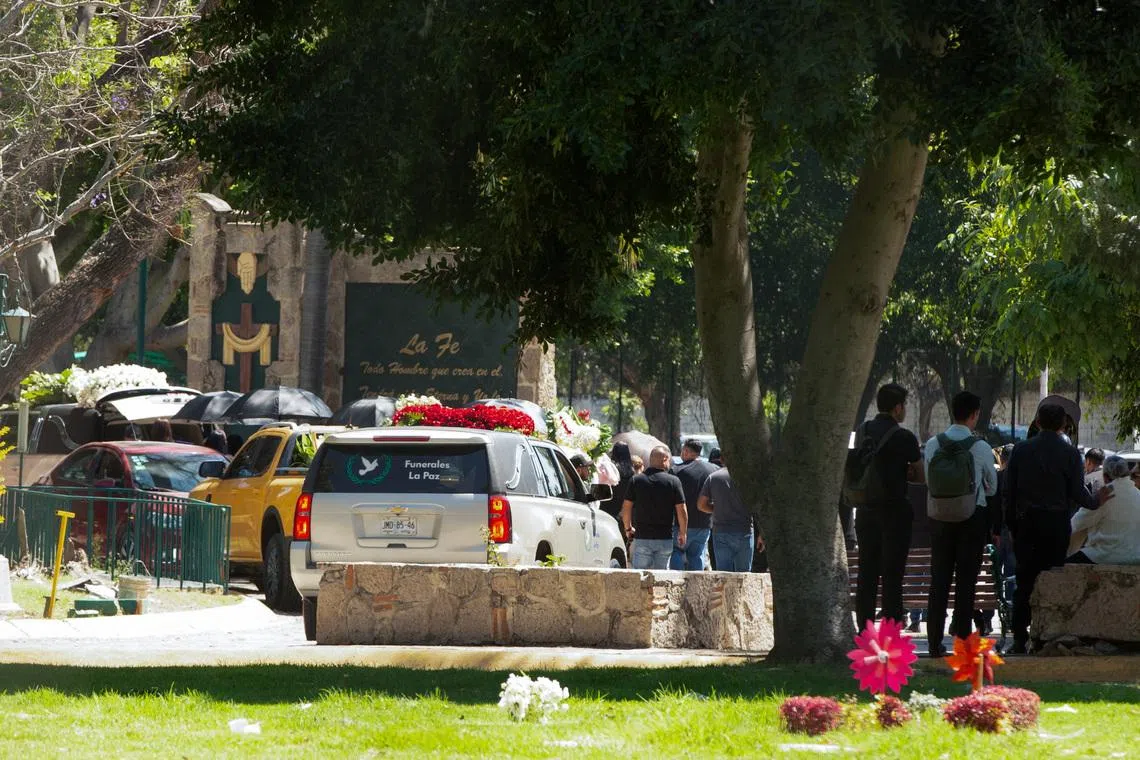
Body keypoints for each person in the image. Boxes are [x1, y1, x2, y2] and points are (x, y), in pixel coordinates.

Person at [1005, 402, 1109, 654]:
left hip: (1028, 523)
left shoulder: (1021, 451)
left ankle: (1019, 637)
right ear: (1064, 424)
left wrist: (1013, 526)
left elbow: (1009, 493)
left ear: (1037, 422)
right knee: (1054, 578)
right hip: (1056, 524)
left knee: (1024, 580)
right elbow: (1078, 493)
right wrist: (1098, 500)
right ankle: (1049, 637)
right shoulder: (1071, 454)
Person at [923, 391, 998, 658]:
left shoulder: (933, 444)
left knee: (939, 580)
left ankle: (933, 642)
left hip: (939, 519)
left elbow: (929, 481)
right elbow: (992, 488)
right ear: (975, 414)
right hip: (971, 519)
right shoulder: (980, 447)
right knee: (966, 582)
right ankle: (963, 641)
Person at [851, 383, 924, 631]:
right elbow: (920, 475)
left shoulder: (863, 431)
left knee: (867, 574)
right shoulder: (904, 437)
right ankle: (891, 631)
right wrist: (906, 471)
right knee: (893, 576)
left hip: (865, 510)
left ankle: (864, 629)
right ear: (897, 408)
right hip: (894, 512)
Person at [622, 446, 687, 570]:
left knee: (640, 577)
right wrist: (683, 532)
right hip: (665, 537)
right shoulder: (674, 481)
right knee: (662, 578)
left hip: (642, 537)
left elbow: (626, 507)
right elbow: (682, 509)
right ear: (665, 459)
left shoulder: (636, 480)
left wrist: (628, 528)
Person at [1067, 456, 1140, 565]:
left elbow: (1075, 524)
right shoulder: (1137, 494)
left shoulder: (1105, 495)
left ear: (1105, 477)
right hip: (1135, 557)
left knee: (1062, 566)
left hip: (1104, 556)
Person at [697, 450, 757, 572]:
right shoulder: (749, 479)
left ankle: (725, 592)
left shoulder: (713, 477)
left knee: (723, 573)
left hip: (721, 531)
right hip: (744, 530)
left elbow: (701, 505)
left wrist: (716, 508)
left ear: (722, 460)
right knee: (744, 575)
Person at [669, 439, 718, 571]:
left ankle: (676, 583)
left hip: (680, 524)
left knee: (677, 552)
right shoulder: (713, 470)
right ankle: (697, 585)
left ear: (686, 451)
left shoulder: (676, 471)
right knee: (697, 555)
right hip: (704, 523)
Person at [600, 442, 634, 520]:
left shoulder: (610, 469)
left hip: (606, 509)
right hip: (622, 512)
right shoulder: (632, 472)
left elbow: (599, 493)